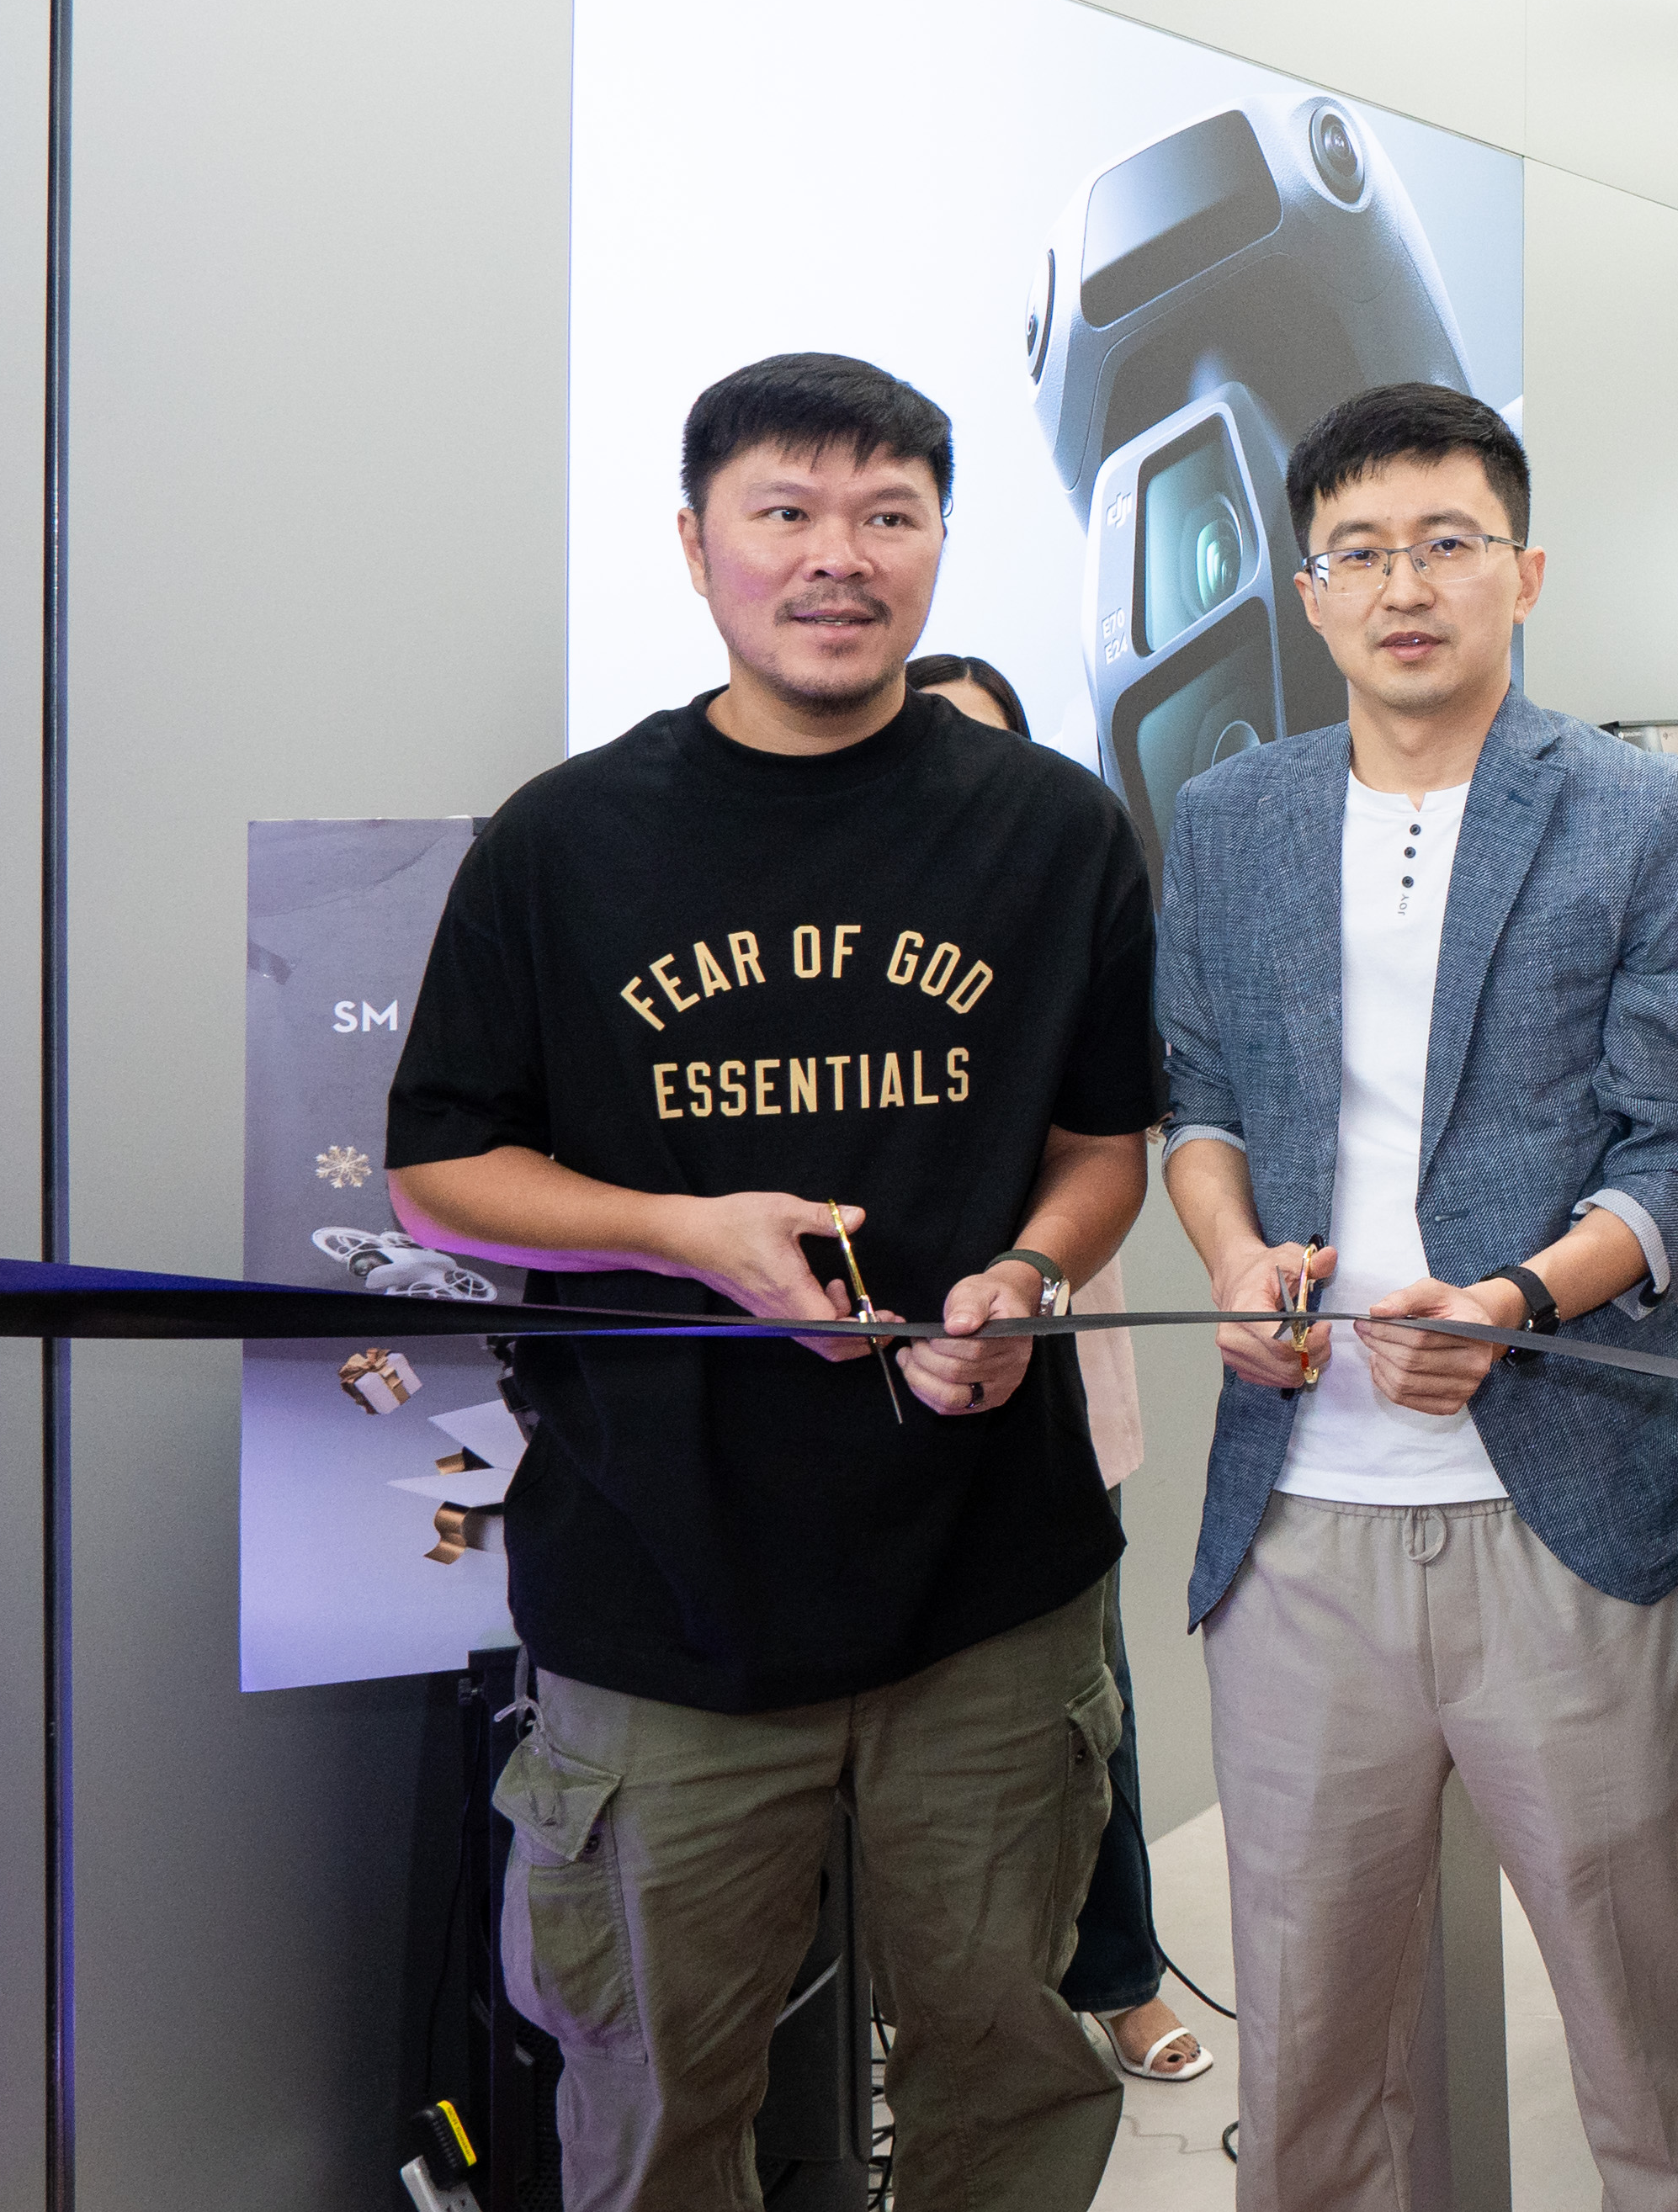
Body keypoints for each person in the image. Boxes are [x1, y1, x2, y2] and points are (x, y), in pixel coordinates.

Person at [384, 353, 1157, 2210]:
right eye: (786, 511)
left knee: (1007, 2071)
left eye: (889, 513)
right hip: (661, 1589)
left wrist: (1030, 1275)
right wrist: (685, 1230)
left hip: (990, 1581)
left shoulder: (1053, 829)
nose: (838, 555)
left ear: (939, 542)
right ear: (696, 543)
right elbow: (439, 1169)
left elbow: (1101, 1142)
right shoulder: (563, 841)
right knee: (655, 2103)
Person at [1153, 383, 1678, 2211]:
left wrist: (1517, 1299)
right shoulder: (1231, 816)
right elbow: (1198, 1101)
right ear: (1308, 591)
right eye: (1358, 552)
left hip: (1562, 1507)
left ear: (1525, 571)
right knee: (1314, 2049)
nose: (1403, 586)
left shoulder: (1642, 814)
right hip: (1298, 1524)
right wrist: (1231, 1256)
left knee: (1640, 2030)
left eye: (1447, 543)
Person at [906, 649, 1208, 2093]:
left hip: (1045, 1359)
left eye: (986, 748)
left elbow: (1114, 1139)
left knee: (1088, 1696)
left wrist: (1024, 1272)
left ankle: (1122, 1979)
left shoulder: (1069, 905)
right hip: (868, 1380)